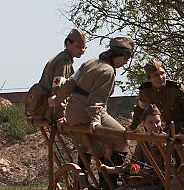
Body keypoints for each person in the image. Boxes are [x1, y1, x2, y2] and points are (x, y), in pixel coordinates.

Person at [48, 36, 135, 179]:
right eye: (126, 58)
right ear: (121, 54)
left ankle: (103, 179)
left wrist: (57, 100)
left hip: (72, 113)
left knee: (109, 143)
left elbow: (70, 83)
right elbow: (96, 100)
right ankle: (109, 182)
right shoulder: (108, 71)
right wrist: (95, 121)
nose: (126, 63)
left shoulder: (90, 62)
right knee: (123, 139)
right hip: (87, 112)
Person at [25, 28, 87, 120]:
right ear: (68, 44)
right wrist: (62, 117)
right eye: (78, 47)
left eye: (84, 47)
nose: (82, 50)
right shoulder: (63, 62)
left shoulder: (63, 58)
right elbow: (58, 92)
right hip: (49, 110)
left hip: (45, 107)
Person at [129, 59, 184, 131]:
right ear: (149, 79)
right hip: (159, 126)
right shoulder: (145, 92)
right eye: (155, 75)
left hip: (181, 125)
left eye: (162, 73)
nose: (160, 77)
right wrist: (131, 128)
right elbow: (140, 111)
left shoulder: (176, 89)